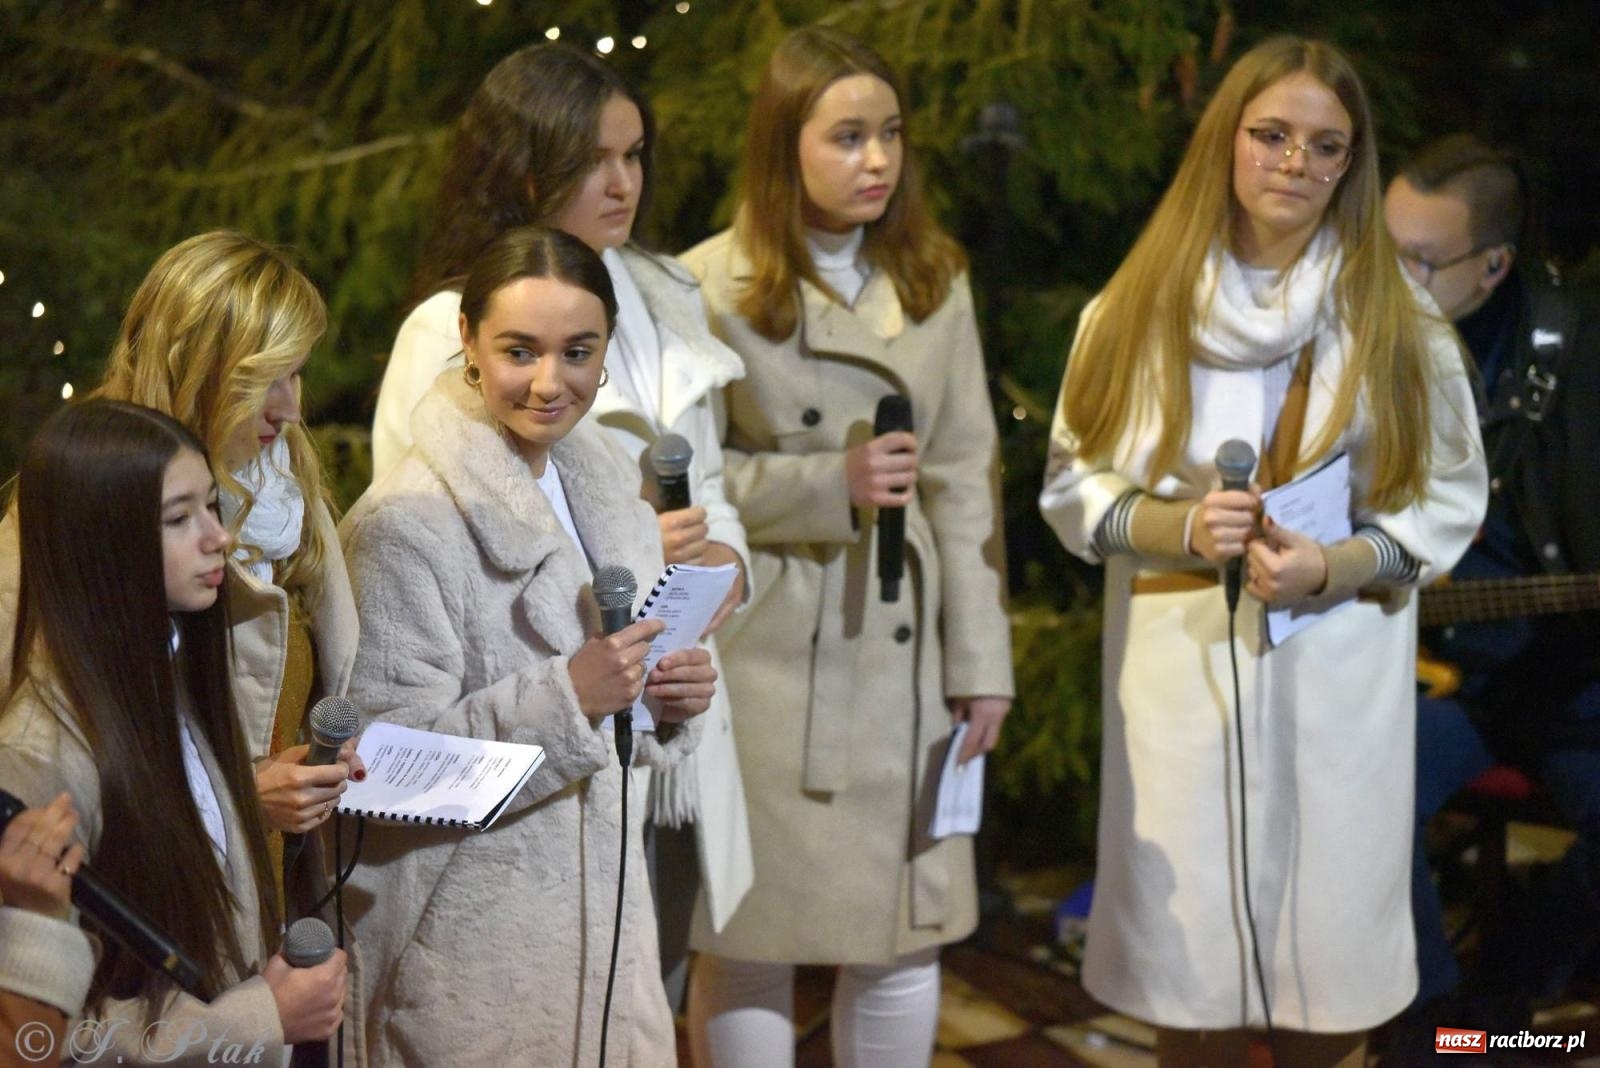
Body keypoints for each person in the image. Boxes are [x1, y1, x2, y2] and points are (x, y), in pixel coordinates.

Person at [1039, 36, 1487, 1067]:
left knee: (1323, 997)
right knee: (1187, 984)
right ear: (1226, 143)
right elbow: (1071, 485)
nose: (1294, 163)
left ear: (1350, 164)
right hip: (1178, 676)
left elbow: (1446, 499)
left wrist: (1335, 567)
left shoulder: (1394, 318)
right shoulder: (1137, 307)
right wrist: (1180, 529)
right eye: (1271, 135)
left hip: (1337, 679)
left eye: (1324, 146)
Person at [368, 41, 753, 1002]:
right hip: (526, 740)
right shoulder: (446, 327)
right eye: (594, 161)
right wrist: (622, 556)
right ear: (523, 164)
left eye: (634, 156)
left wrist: (724, 561)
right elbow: (429, 544)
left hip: (656, 700)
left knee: (644, 983)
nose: (622, 183)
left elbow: (713, 476)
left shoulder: (665, 295)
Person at [681, 26, 1014, 1068]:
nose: (877, 160)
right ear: (785, 146)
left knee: (899, 940)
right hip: (764, 650)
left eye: (891, 135)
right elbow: (676, 485)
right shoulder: (704, 285)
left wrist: (981, 666)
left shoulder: (933, 279)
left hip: (901, 657)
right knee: (745, 937)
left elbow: (966, 480)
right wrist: (827, 485)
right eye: (847, 137)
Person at [340, 225, 715, 1065]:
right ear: (467, 341)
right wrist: (570, 696)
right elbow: (383, 769)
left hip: (607, 944)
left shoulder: (609, 491)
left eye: (578, 352)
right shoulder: (403, 526)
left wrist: (662, 699)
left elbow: (617, 718)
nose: (551, 382)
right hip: (472, 958)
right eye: (520, 350)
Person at [0, 232, 364, 922]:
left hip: (279, 894)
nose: (289, 409)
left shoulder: (285, 483)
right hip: (153, 929)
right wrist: (243, 794)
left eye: (297, 374)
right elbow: (34, 780)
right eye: (264, 380)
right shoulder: (79, 507)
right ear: (195, 366)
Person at [0, 400, 349, 1066]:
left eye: (212, 508)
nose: (217, 537)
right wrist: (256, 1021)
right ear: (100, 544)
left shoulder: (170, 671)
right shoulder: (36, 757)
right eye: (179, 519)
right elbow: (41, 1034)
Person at [1384, 134, 1600, 1022]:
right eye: (1380, 251)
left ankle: (1503, 1011)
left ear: (1495, 265)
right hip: (1442, 683)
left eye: (1419, 262)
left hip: (1573, 683)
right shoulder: (1374, 343)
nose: (1390, 281)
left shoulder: (1584, 360)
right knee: (1355, 796)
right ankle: (1431, 1029)